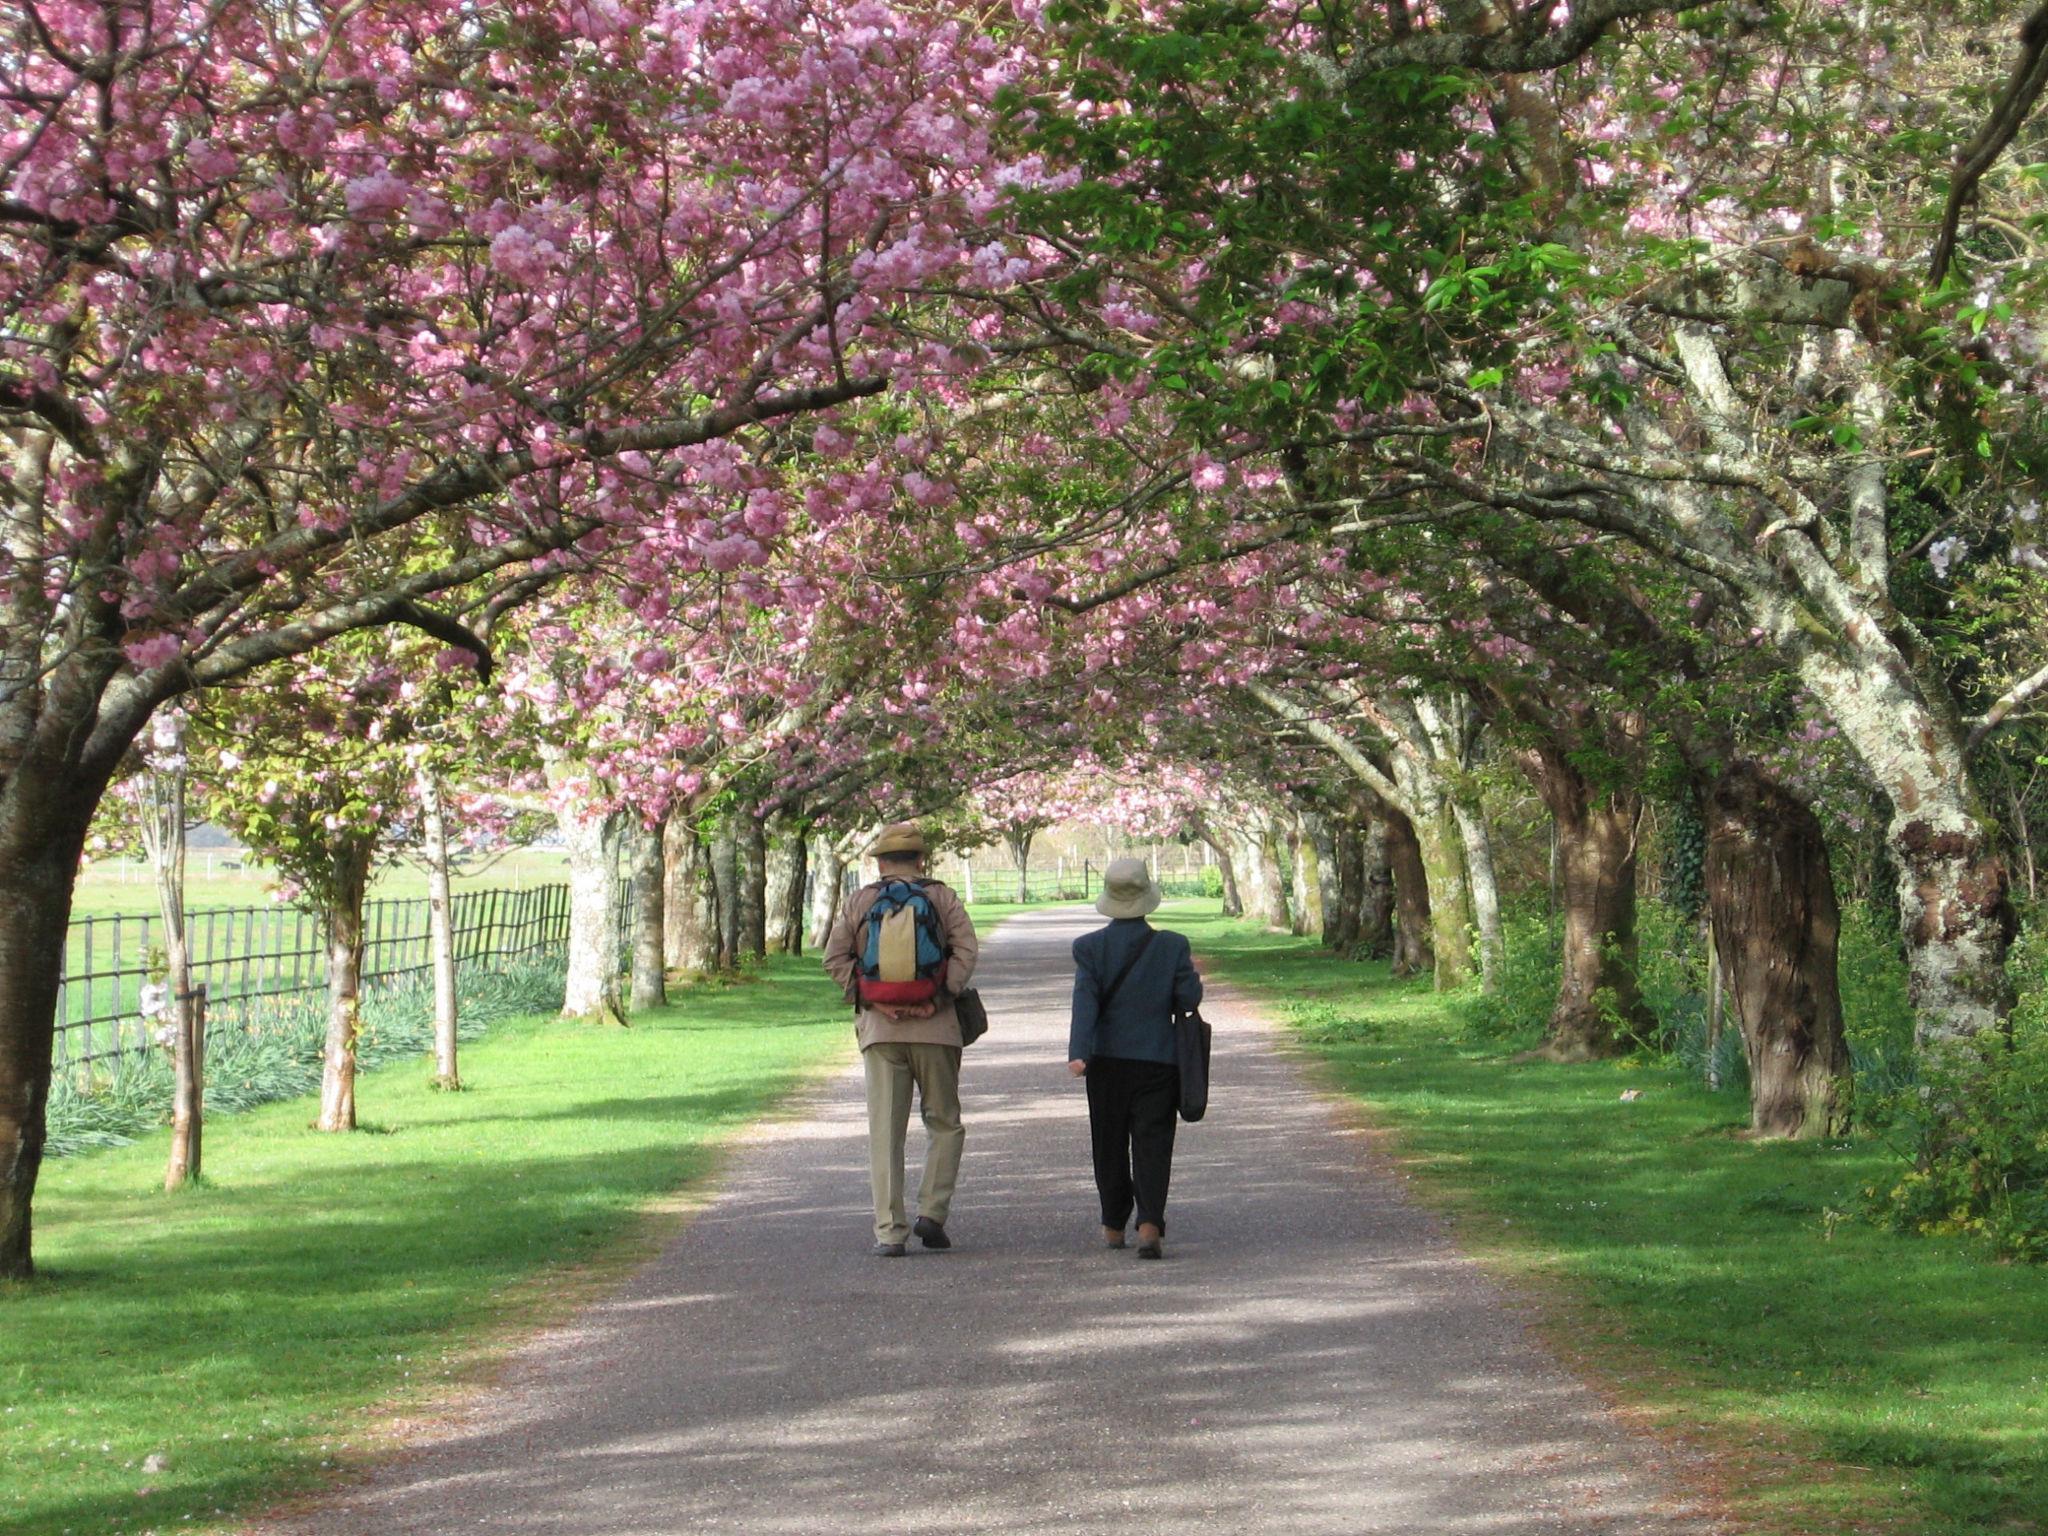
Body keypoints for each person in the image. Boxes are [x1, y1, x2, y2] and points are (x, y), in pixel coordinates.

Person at [823, 823, 979, 1257]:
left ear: (880, 863)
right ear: (921, 860)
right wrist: (938, 997)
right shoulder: (942, 897)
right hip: (937, 1029)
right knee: (944, 1122)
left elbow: (834, 958)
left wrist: (872, 999)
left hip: (880, 1032)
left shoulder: (861, 900)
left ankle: (890, 1231)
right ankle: (932, 1212)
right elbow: (966, 951)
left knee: (885, 1132)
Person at [1068, 857, 1203, 1260]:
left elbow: (1085, 1003)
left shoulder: (1089, 948)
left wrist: (1078, 1052)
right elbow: (1188, 999)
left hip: (1106, 1061)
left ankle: (1113, 1224)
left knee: (1108, 1142)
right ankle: (1149, 1224)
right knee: (1153, 1142)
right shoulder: (1173, 946)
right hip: (1158, 1060)